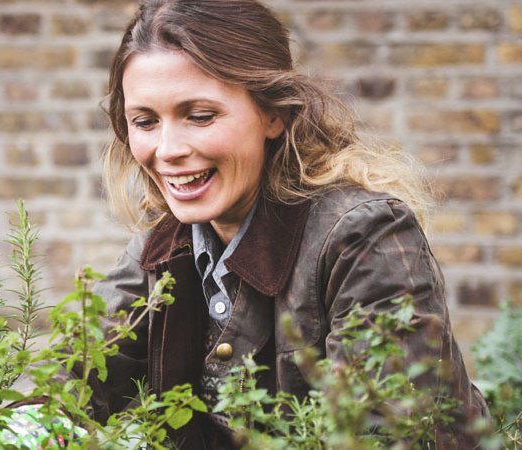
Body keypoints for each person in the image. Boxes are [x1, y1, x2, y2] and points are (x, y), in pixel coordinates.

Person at [82, 0, 490, 448]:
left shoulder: (363, 237)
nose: (168, 148)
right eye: (145, 121)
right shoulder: (159, 254)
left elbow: (389, 434)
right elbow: (65, 391)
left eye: (200, 115)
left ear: (272, 114)